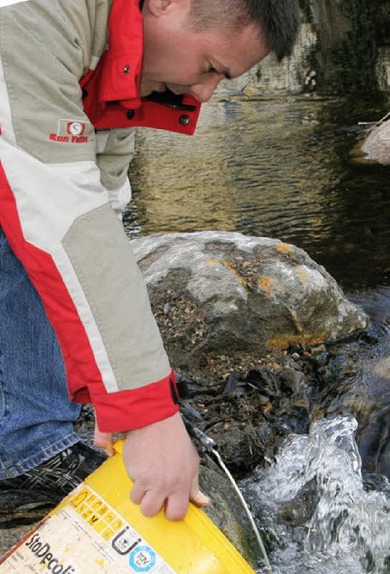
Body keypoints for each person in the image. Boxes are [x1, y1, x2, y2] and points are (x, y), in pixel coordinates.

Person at [0, 0, 300, 521]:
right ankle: (22, 445)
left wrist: (112, 389)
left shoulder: (115, 60)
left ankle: (23, 438)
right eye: (210, 67)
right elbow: (63, 222)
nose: (204, 93)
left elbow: (102, 216)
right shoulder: (29, 17)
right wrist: (145, 414)